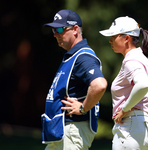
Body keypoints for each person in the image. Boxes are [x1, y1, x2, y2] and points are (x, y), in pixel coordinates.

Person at [41, 9, 107, 150]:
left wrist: (83, 108)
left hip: (72, 131)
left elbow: (99, 85)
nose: (56, 34)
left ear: (75, 29)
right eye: (53, 30)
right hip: (62, 132)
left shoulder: (83, 56)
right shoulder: (71, 56)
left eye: (60, 29)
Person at [99, 16, 148, 150]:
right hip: (144, 129)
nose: (110, 40)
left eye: (113, 36)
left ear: (126, 38)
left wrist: (124, 110)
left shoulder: (131, 60)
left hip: (130, 128)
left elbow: (142, 85)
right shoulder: (141, 57)